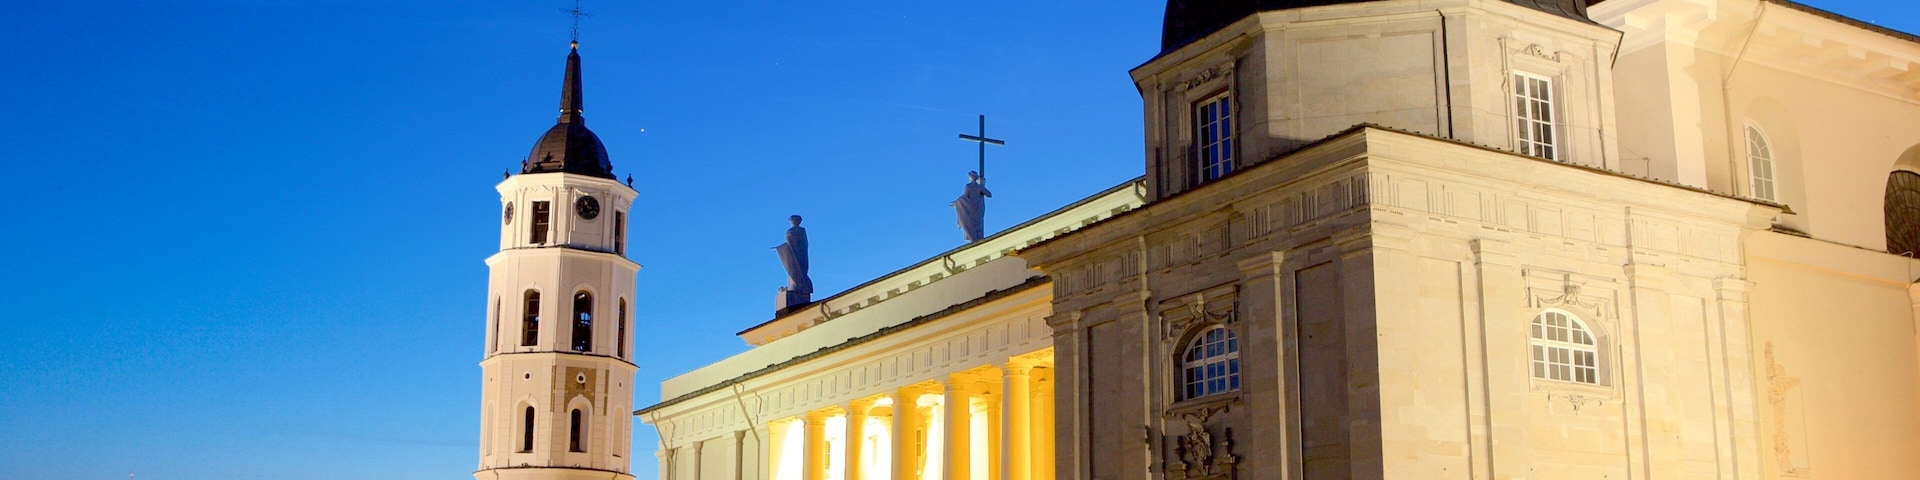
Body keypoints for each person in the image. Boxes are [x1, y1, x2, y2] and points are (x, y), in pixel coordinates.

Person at [952, 171, 992, 242]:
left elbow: (965, 197)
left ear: (970, 177)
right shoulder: (979, 187)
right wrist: (982, 186)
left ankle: (975, 240)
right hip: (978, 210)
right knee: (977, 226)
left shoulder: (968, 186)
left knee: (971, 225)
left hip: (972, 210)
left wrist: (957, 202)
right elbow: (989, 194)